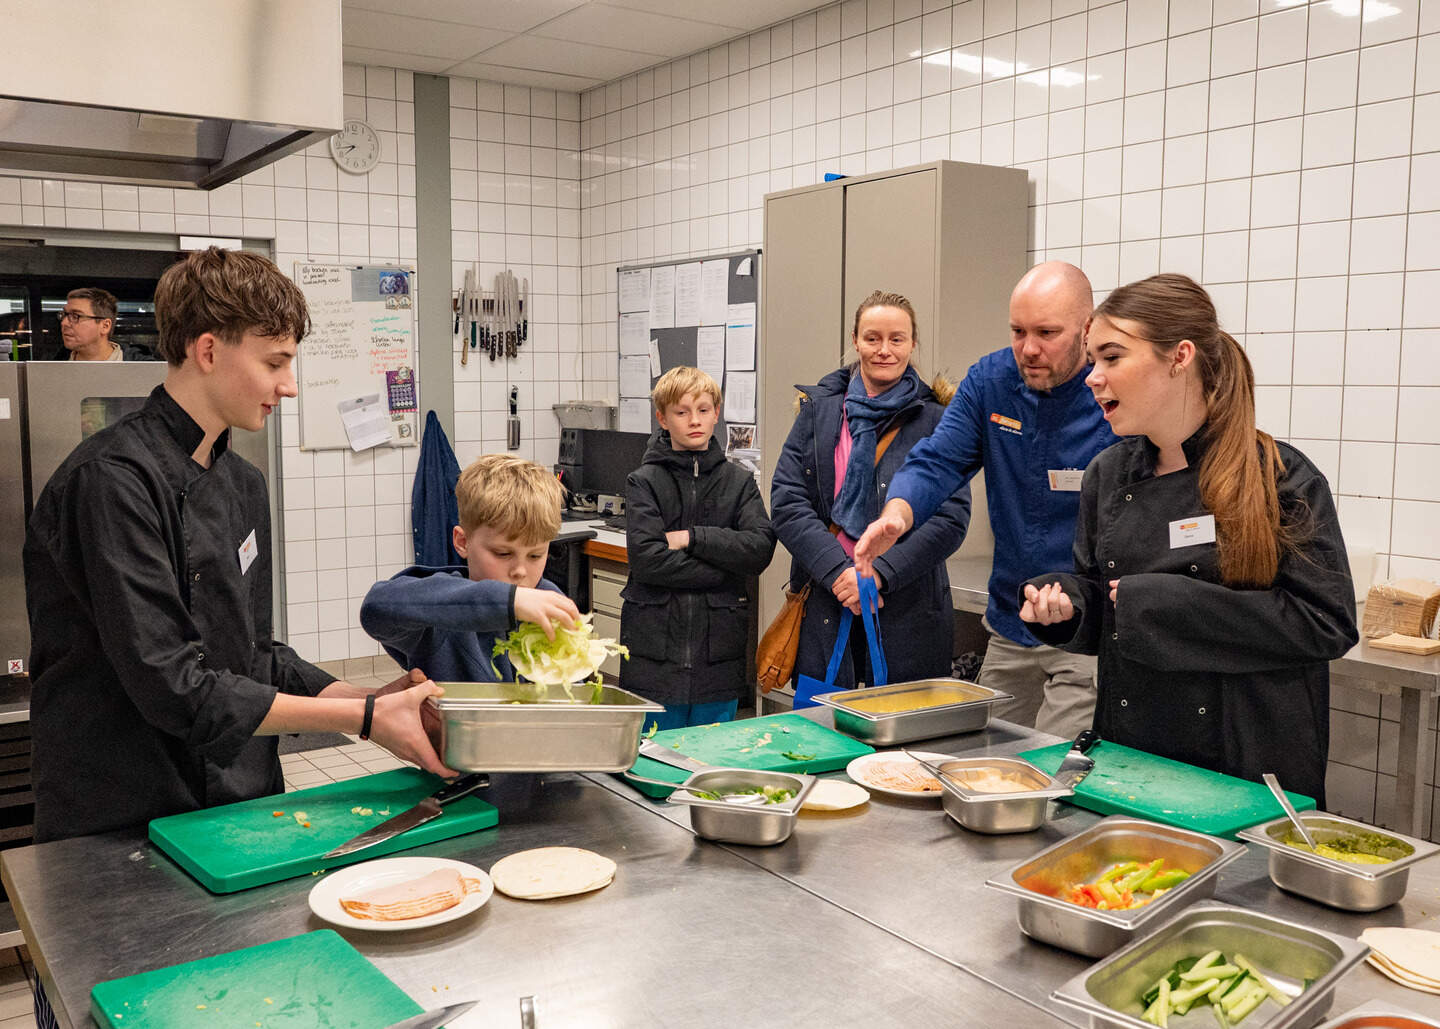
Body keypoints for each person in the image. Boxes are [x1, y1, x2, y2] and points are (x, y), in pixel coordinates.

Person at [24, 248, 453, 847]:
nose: (291, 386)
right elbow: (171, 683)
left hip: (237, 799)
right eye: (275, 362)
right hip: (123, 808)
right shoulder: (111, 481)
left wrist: (372, 700)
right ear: (207, 351)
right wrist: (362, 719)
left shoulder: (242, 483)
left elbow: (254, 652)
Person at [1019, 273, 1357, 804]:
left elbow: (1327, 624)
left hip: (1244, 764)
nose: (1092, 377)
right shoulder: (1108, 474)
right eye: (1093, 360)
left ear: (1179, 357)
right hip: (1135, 756)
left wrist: (1166, 602)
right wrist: (1072, 606)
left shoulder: (1280, 476)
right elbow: (1109, 605)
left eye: (1112, 357)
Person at [853, 263, 1115, 737]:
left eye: (1047, 333)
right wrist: (898, 513)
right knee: (988, 757)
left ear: (1088, 328)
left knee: (1055, 768)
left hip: (1084, 629)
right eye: (1018, 331)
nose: (1028, 349)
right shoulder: (992, 380)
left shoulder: (1111, 393)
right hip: (1012, 620)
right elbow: (938, 460)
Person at [771, 291, 969, 695]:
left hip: (909, 612)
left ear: (913, 343)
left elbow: (951, 518)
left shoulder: (937, 420)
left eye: (897, 339)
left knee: (903, 750)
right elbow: (788, 501)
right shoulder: (818, 411)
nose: (884, 350)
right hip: (826, 605)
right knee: (818, 742)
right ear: (855, 339)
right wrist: (840, 573)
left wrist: (879, 574)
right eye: (872, 338)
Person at [620, 367, 776, 730]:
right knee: (653, 763)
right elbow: (647, 561)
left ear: (716, 413)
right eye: (682, 412)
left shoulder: (739, 484)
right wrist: (728, 566)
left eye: (704, 410)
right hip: (654, 657)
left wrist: (692, 538)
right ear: (662, 417)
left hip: (717, 659)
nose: (695, 421)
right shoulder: (643, 482)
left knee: (713, 762)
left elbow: (759, 549)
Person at [361, 454, 581, 682]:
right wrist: (508, 601)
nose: (520, 571)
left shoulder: (549, 599)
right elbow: (376, 608)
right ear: (462, 542)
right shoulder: (439, 615)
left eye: (535, 555)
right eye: (503, 553)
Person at [58, 287, 125, 361]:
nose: (64, 323)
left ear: (105, 326)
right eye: (64, 315)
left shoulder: (136, 367)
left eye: (75, 316)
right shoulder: (52, 367)